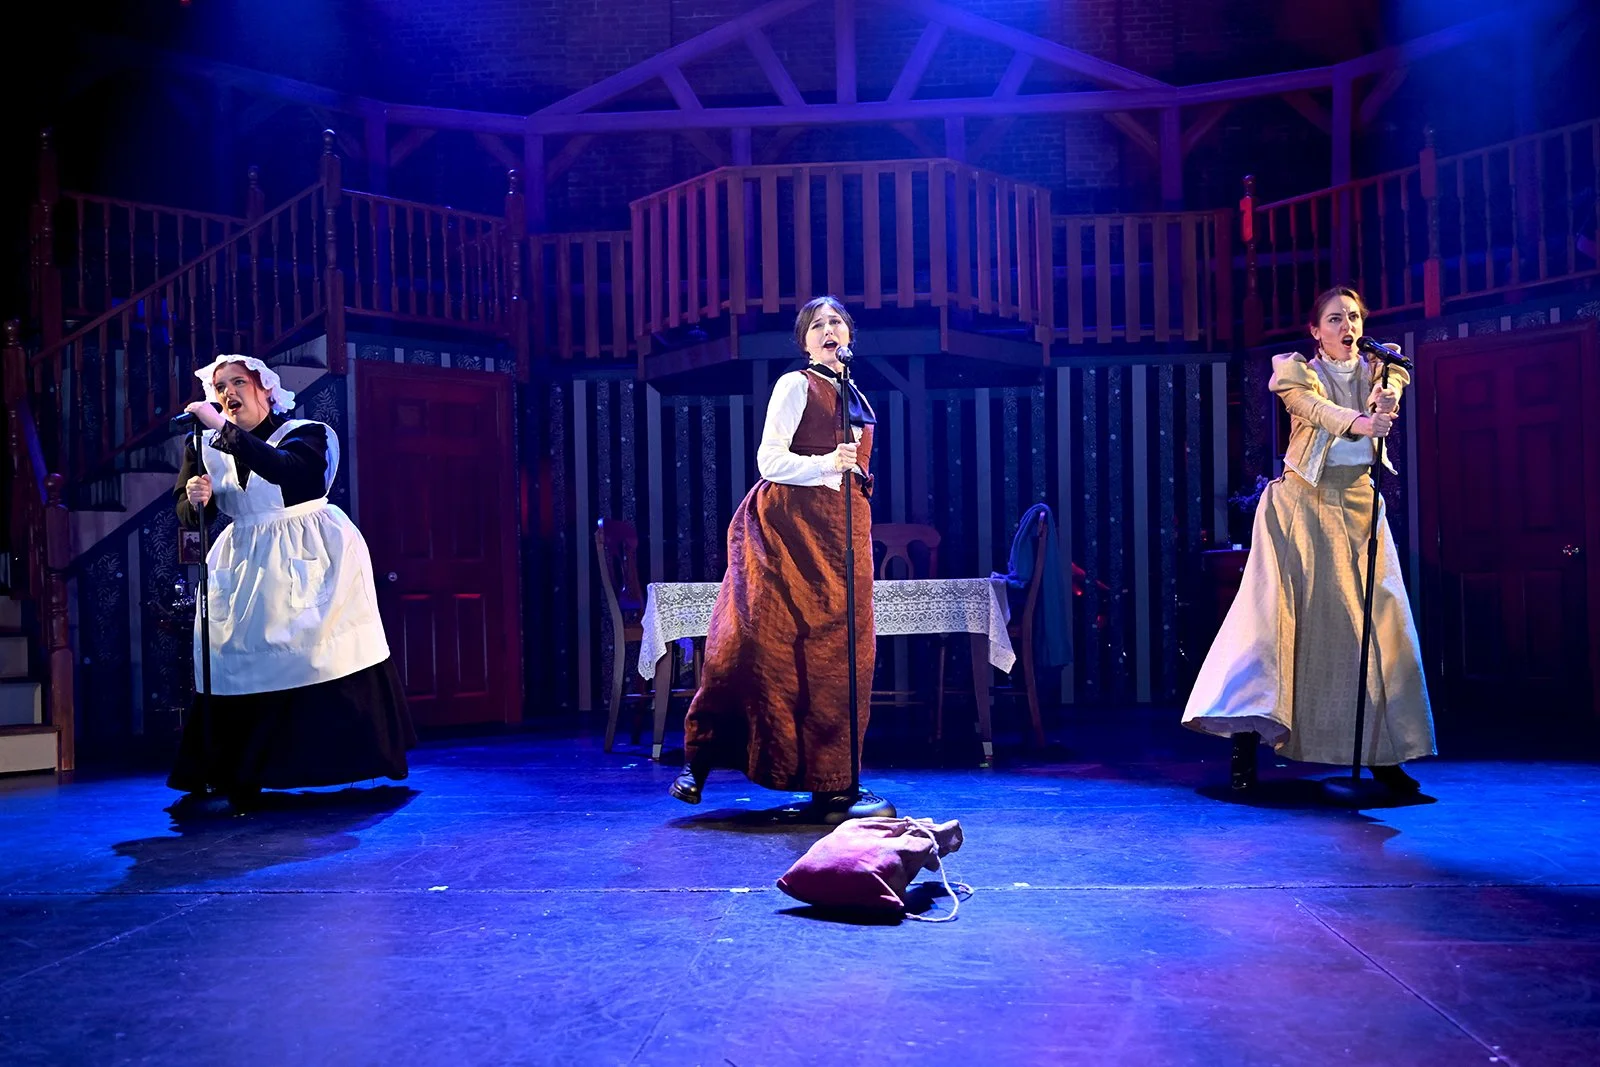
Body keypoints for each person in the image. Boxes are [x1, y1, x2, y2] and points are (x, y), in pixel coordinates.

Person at [1183, 287, 1436, 793]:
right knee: (1275, 630)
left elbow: (1383, 399)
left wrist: (1383, 402)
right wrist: (1365, 421)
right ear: (1316, 330)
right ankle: (1246, 746)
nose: (1349, 326)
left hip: (1361, 508)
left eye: (1355, 317)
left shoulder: (1383, 369)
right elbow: (1319, 412)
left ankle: (1383, 754)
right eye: (1336, 318)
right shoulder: (1297, 374)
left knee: (1373, 629)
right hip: (1300, 508)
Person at [669, 296, 894, 821]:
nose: (829, 330)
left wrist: (848, 477)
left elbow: (853, 468)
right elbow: (769, 459)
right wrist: (824, 464)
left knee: (838, 657)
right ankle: (701, 760)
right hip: (786, 527)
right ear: (804, 340)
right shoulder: (795, 385)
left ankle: (832, 784)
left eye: (836, 322)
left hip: (840, 531)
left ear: (850, 334)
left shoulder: (855, 393)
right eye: (817, 325)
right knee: (751, 641)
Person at [168, 354, 415, 813]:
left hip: (308, 551)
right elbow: (187, 510)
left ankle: (336, 761)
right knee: (237, 659)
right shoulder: (200, 444)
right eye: (219, 386)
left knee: (315, 649)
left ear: (265, 389)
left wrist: (224, 431)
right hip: (244, 557)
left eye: (237, 383)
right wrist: (196, 501)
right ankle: (241, 771)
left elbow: (291, 474)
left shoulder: (307, 433)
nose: (227, 394)